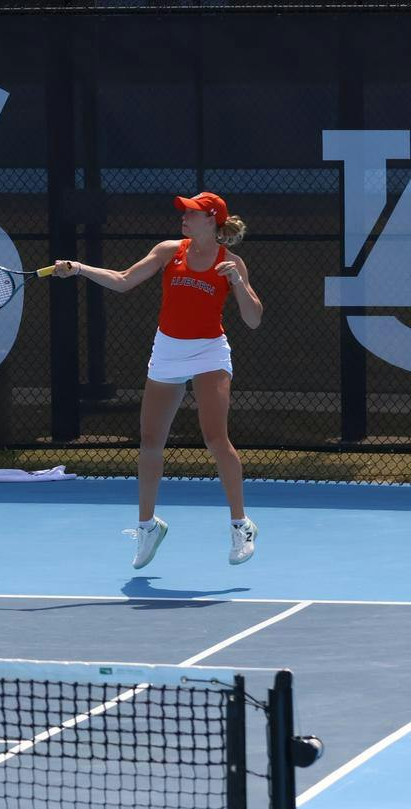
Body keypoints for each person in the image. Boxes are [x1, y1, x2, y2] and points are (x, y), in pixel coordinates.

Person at [52, 192, 265, 569]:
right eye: (184, 212)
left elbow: (254, 320)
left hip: (209, 352)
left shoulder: (230, 263)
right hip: (167, 350)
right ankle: (148, 526)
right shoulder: (170, 250)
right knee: (151, 442)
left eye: (192, 213)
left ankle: (240, 525)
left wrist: (238, 283)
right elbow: (122, 280)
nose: (184, 217)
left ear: (212, 219)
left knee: (216, 438)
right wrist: (80, 268)